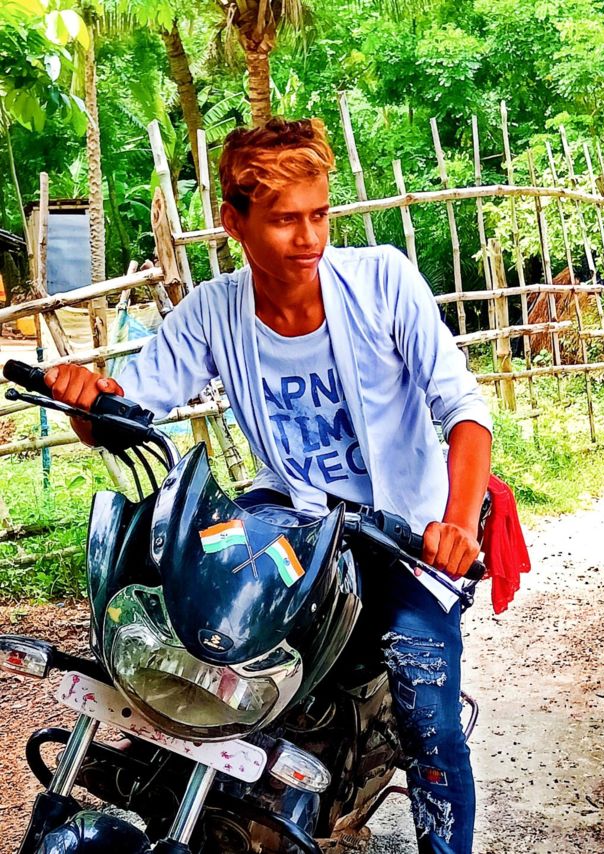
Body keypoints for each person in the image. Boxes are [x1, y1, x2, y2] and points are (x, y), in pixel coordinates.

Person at [45, 117, 492, 853]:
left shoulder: (382, 281)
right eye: (285, 220)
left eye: (319, 215)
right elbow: (128, 406)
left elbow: (465, 412)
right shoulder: (215, 310)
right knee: (184, 621)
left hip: (398, 533)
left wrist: (457, 524)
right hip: (284, 524)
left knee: (428, 709)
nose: (309, 238)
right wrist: (86, 399)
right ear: (235, 223)